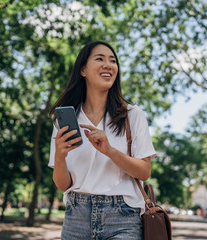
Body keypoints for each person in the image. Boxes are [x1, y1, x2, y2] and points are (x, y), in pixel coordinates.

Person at [48, 41, 156, 239]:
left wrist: (110, 151)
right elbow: (63, 185)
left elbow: (144, 171)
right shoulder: (65, 120)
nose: (108, 65)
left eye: (113, 61)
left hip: (123, 218)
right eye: (100, 59)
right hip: (76, 218)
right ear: (83, 70)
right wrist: (60, 158)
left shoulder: (132, 115)